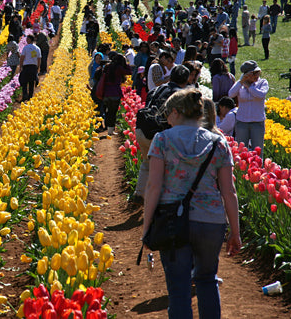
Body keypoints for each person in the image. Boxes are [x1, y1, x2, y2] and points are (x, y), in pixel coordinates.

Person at [142, 88, 241, 319]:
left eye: (167, 113)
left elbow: (153, 187)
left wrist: (147, 228)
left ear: (176, 112)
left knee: (179, 290)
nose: (166, 118)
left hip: (173, 222)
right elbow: (229, 191)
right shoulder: (219, 142)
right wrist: (234, 232)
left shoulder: (162, 139)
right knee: (207, 281)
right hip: (211, 221)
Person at [132, 65, 190, 203]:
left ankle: (139, 194)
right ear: (186, 80)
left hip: (141, 130)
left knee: (147, 162)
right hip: (158, 135)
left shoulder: (157, 89)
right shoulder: (179, 95)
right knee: (165, 167)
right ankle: (160, 200)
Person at [228, 60, 269, 154]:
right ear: (245, 75)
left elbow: (261, 95)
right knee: (241, 151)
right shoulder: (240, 84)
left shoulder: (262, 82)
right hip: (242, 121)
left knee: (258, 151)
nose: (256, 76)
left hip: (257, 122)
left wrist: (249, 87)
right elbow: (230, 94)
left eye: (257, 73)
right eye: (252, 74)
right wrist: (241, 82)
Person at [101, 52, 132, 135]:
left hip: (106, 92)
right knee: (113, 112)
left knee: (108, 111)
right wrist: (126, 64)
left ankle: (107, 126)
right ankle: (110, 130)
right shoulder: (119, 68)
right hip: (115, 92)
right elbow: (129, 72)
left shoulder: (107, 66)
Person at [18, 34, 41, 102]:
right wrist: (38, 67)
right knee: (31, 82)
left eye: (27, 39)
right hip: (33, 67)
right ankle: (30, 96)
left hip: (26, 66)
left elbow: (22, 57)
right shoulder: (37, 48)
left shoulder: (26, 48)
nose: (26, 40)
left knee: (24, 81)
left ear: (31, 40)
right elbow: (39, 59)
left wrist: (21, 66)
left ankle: (25, 95)